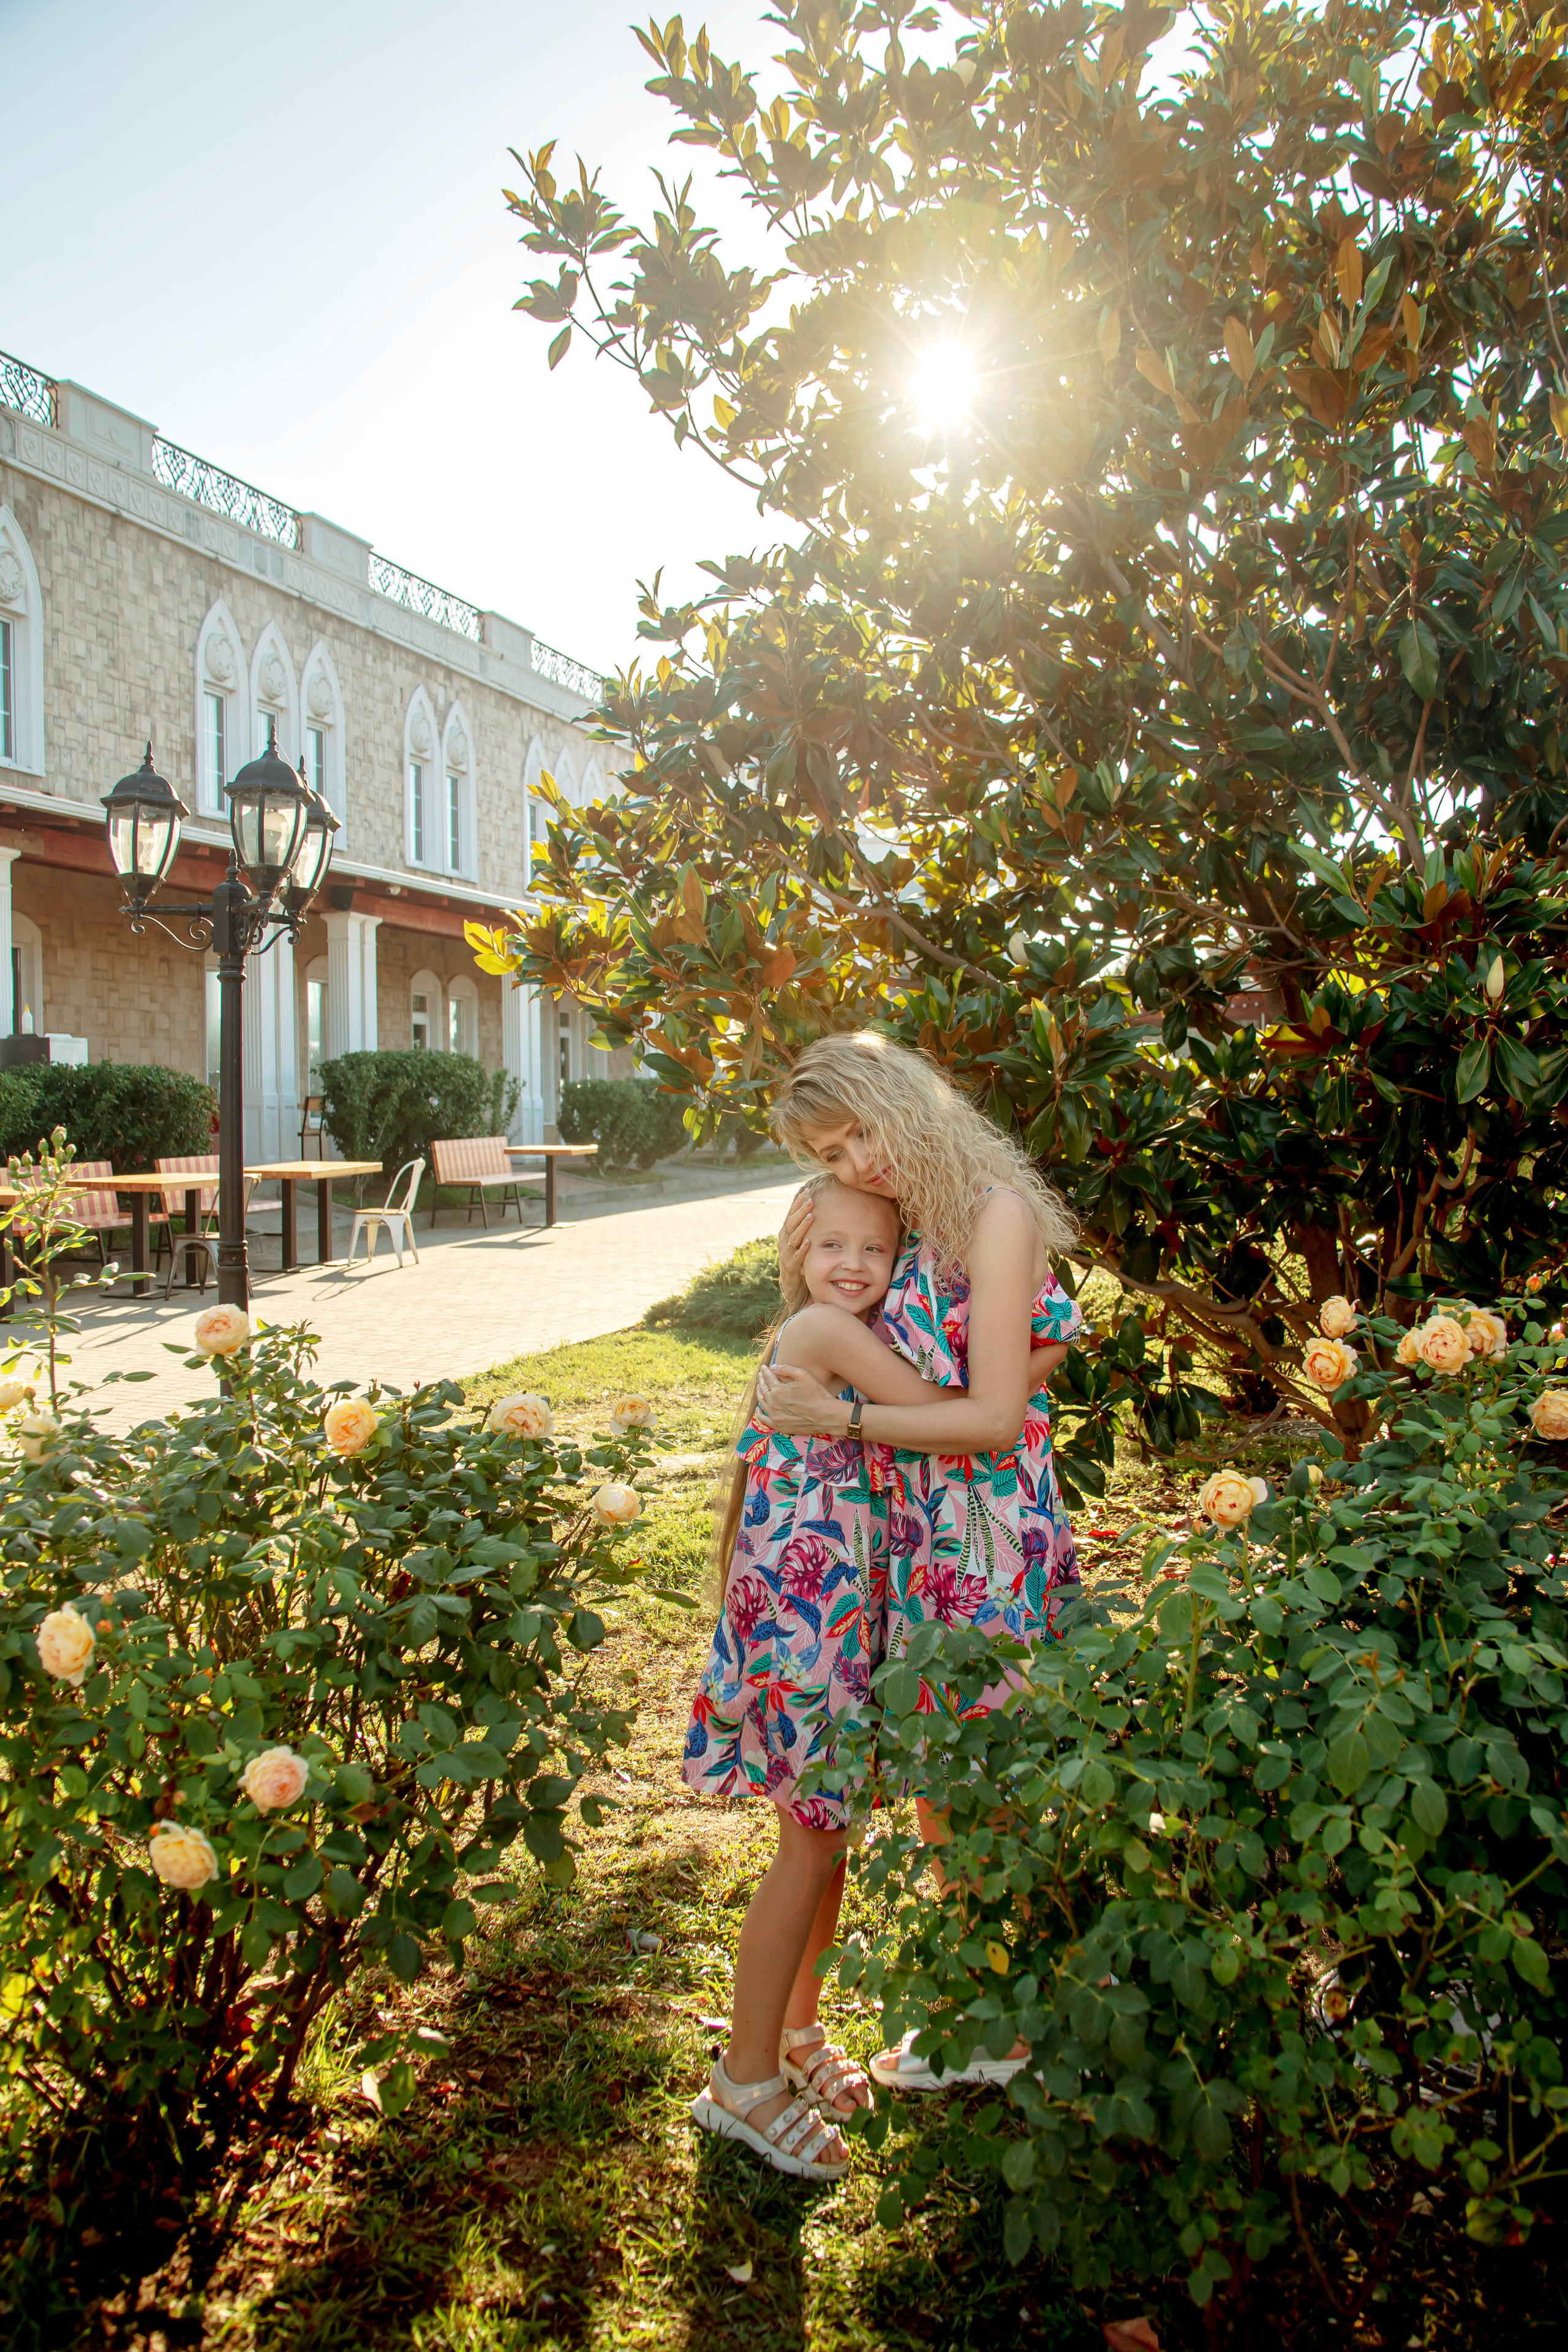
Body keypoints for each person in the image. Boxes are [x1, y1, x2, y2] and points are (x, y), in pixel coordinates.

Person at [685, 1175, 1065, 2177]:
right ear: (795, 1255)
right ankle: (745, 2079)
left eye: (876, 1253)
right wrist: (1014, 1381)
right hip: (805, 1622)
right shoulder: (820, 1335)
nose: (853, 1267)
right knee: (811, 1840)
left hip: (841, 1610)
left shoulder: (854, 1327)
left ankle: (798, 2037)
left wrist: (1028, 1351)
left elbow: (1020, 1358)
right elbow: (954, 1406)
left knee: (831, 1831)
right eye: (830, 1247)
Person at [755, 1031, 1082, 2093]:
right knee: (947, 1774)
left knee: (973, 1776)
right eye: (832, 1151)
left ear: (904, 1100)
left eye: (858, 1133)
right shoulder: (914, 1214)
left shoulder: (993, 1212)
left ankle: (1004, 2031)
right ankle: (995, 2018)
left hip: (975, 1525)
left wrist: (841, 1415)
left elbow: (990, 1415)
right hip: (910, 1523)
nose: (856, 1163)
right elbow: (1033, 1347)